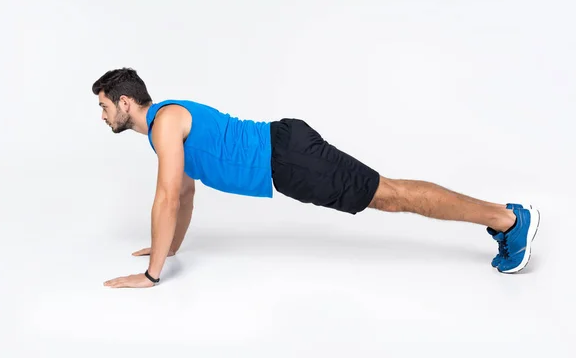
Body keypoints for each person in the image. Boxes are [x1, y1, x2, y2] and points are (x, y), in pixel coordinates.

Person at [93, 68, 540, 288]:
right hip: (285, 158)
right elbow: (186, 196)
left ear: (127, 101)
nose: (103, 114)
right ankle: (506, 219)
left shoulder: (166, 122)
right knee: (388, 194)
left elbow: (168, 197)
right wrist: (169, 248)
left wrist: (151, 277)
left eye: (105, 105)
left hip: (287, 158)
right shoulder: (163, 128)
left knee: (391, 195)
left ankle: (508, 219)